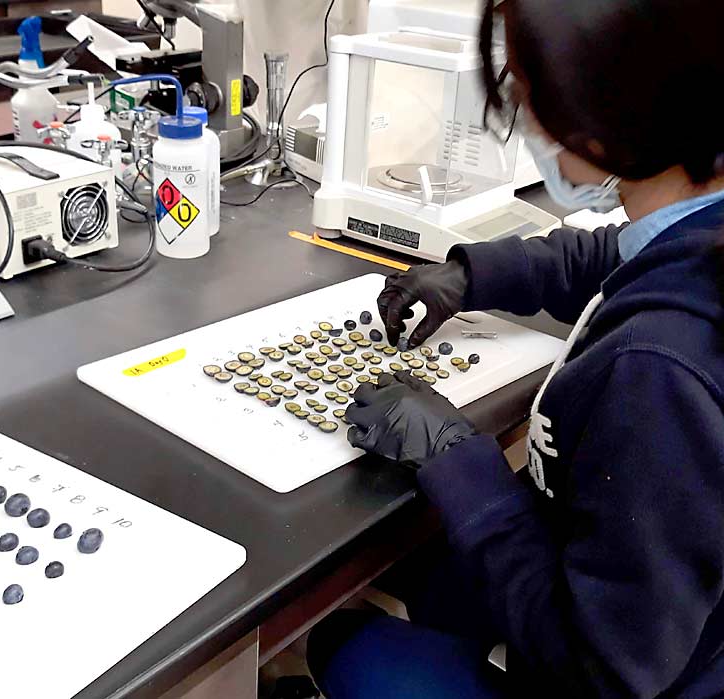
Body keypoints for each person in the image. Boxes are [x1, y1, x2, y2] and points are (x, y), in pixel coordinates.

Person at [306, 1, 724, 697]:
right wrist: (476, 274)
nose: (530, 125)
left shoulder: (659, 374)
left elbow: (599, 672)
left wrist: (456, 456)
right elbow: (614, 255)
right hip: (660, 610)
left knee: (345, 643)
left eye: (534, 102)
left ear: (603, 121)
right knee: (437, 578)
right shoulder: (700, 217)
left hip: (606, 668)